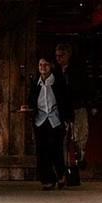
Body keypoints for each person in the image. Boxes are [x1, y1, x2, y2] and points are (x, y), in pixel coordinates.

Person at [26, 57, 71, 190]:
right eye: (40, 65)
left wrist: (67, 119)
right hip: (40, 120)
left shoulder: (58, 82)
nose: (43, 67)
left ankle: (61, 176)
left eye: (45, 65)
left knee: (56, 149)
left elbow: (66, 101)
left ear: (51, 66)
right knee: (42, 150)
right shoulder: (36, 82)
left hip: (55, 120)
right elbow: (32, 100)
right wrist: (28, 107)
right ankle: (47, 179)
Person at [54, 42, 90, 185]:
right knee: (62, 140)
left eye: (61, 55)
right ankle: (64, 171)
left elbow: (86, 87)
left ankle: (78, 161)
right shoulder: (55, 71)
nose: (59, 58)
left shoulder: (77, 70)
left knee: (79, 137)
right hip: (61, 109)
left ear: (68, 55)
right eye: (57, 56)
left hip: (77, 106)